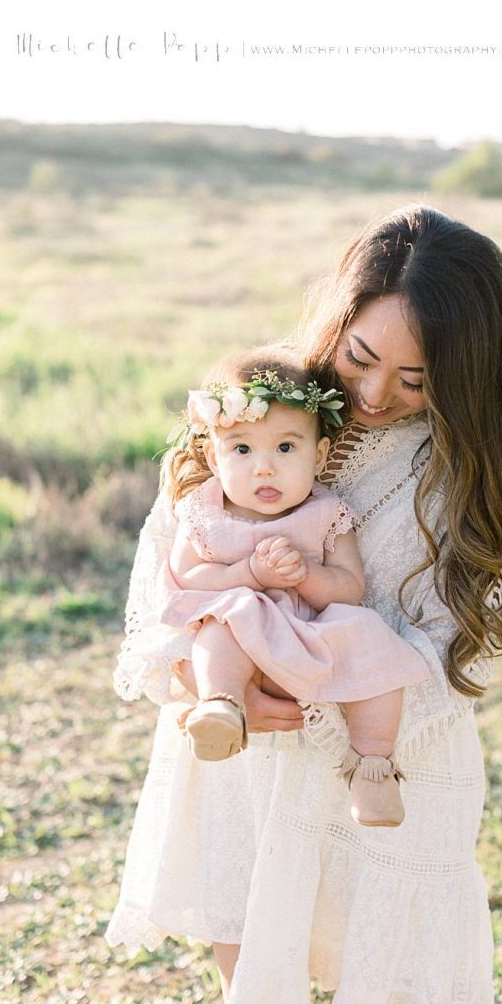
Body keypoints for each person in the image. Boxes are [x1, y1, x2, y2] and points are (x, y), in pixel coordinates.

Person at [106, 204, 502, 1004]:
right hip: (244, 752)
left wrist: (327, 697)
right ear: (341, 318)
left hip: (388, 768)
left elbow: (459, 646)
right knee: (252, 951)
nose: (372, 392)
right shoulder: (261, 404)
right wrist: (204, 675)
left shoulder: (461, 479)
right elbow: (166, 561)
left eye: (416, 380)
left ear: (465, 376)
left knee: (392, 973)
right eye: (360, 357)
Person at [158, 351, 432, 825]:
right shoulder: (204, 512)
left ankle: (372, 768)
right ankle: (221, 706)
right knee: (224, 622)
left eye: (285, 448)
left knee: (371, 639)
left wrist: (306, 576)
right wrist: (251, 576)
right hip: (243, 635)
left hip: (312, 629)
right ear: (212, 456)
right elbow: (188, 579)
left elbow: (349, 586)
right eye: (242, 450)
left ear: (320, 455)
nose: (264, 468)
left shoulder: (327, 512)